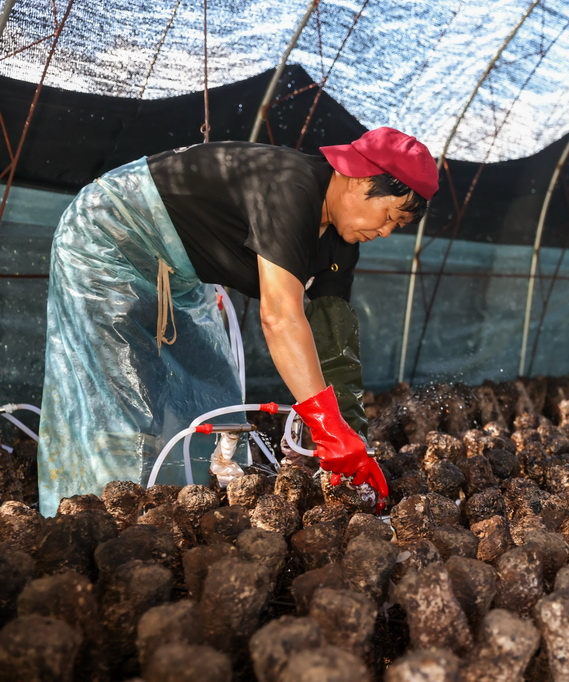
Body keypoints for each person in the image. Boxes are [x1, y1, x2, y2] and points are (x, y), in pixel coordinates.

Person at [36, 127, 438, 516]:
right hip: (109, 235)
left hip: (176, 272)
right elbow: (280, 316)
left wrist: (351, 445)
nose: (385, 232)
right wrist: (327, 428)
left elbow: (334, 343)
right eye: (388, 215)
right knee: (124, 395)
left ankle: (183, 506)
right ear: (358, 179)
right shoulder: (292, 185)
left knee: (212, 391)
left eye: (396, 228)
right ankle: (94, 515)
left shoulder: (341, 243)